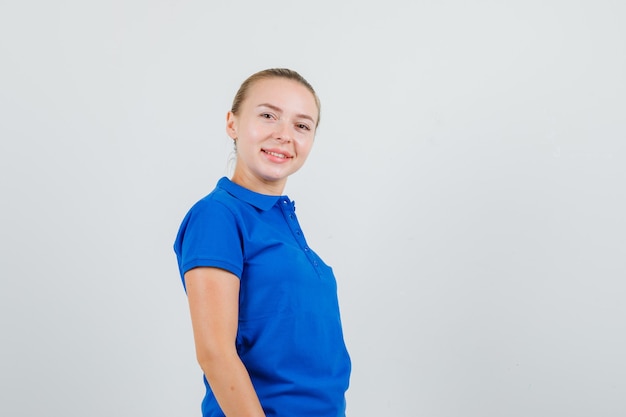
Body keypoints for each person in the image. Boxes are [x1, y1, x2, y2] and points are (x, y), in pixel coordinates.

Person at [173, 68, 351, 417]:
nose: (285, 135)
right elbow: (215, 352)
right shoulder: (218, 215)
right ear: (232, 123)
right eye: (268, 115)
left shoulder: (279, 221)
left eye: (302, 125)